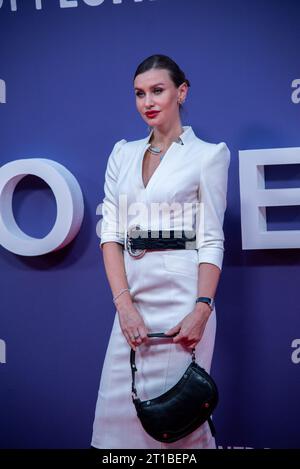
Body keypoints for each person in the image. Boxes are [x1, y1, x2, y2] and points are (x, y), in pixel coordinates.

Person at [91, 54, 230, 449]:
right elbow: (111, 236)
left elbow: (212, 239)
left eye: (157, 91)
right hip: (131, 300)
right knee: (112, 428)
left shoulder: (208, 155)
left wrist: (202, 308)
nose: (147, 101)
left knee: (177, 423)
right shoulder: (122, 153)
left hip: (182, 300)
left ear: (181, 92)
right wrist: (124, 306)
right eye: (139, 94)